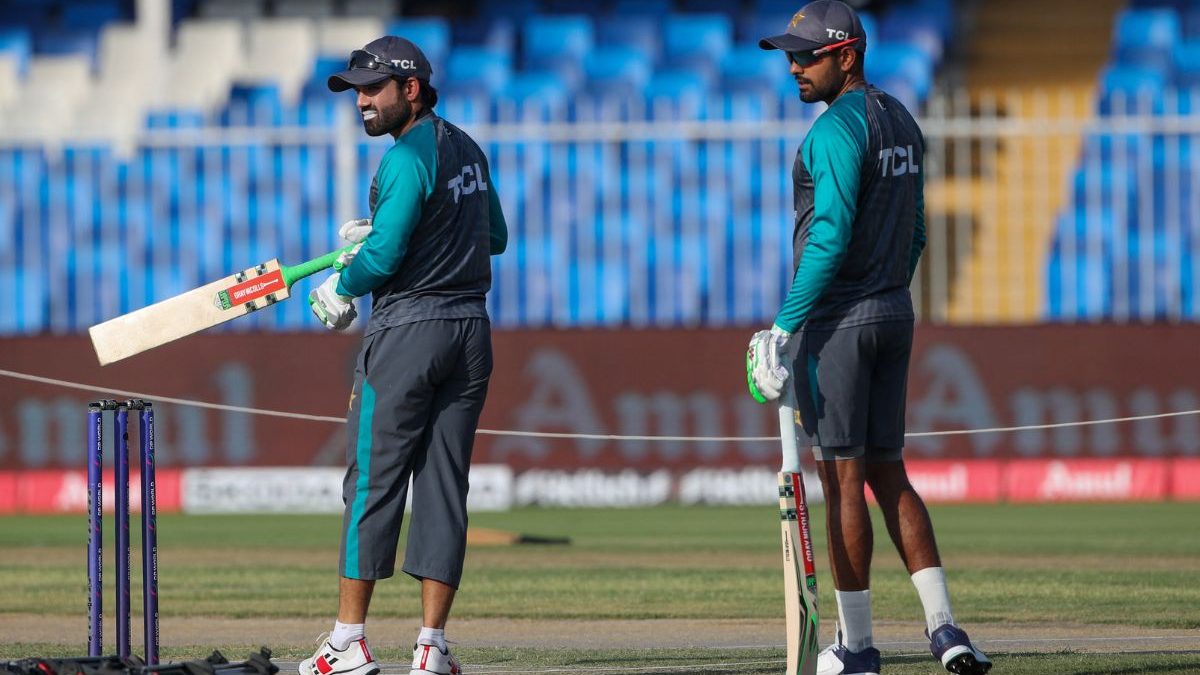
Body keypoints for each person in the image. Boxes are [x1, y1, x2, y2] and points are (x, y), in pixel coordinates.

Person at [746, 3, 991, 675]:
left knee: (844, 480)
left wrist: (788, 325)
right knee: (891, 472)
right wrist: (886, 290)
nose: (792, 66)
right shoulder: (902, 121)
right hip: (892, 311)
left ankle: (857, 647)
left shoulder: (832, 133)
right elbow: (913, 230)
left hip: (841, 324)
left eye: (806, 55)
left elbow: (828, 236)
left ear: (846, 55)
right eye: (789, 55)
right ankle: (946, 631)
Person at [301, 35, 508, 675]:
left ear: (410, 89)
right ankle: (430, 646)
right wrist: (392, 231)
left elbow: (386, 259)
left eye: (372, 90)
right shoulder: (466, 146)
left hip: (408, 331)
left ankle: (348, 642)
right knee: (445, 487)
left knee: (371, 481)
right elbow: (493, 236)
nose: (361, 102)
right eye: (355, 91)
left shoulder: (405, 157)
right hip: (470, 332)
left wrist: (344, 280)